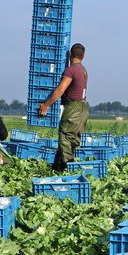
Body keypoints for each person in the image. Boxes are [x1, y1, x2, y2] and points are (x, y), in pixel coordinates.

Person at [38, 43, 89, 172]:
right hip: (83, 107)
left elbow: (61, 89)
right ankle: (76, 169)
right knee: (76, 140)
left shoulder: (70, 70)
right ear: (83, 56)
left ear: (70, 54)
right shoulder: (84, 70)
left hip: (73, 108)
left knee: (66, 137)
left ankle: (67, 169)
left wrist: (46, 104)